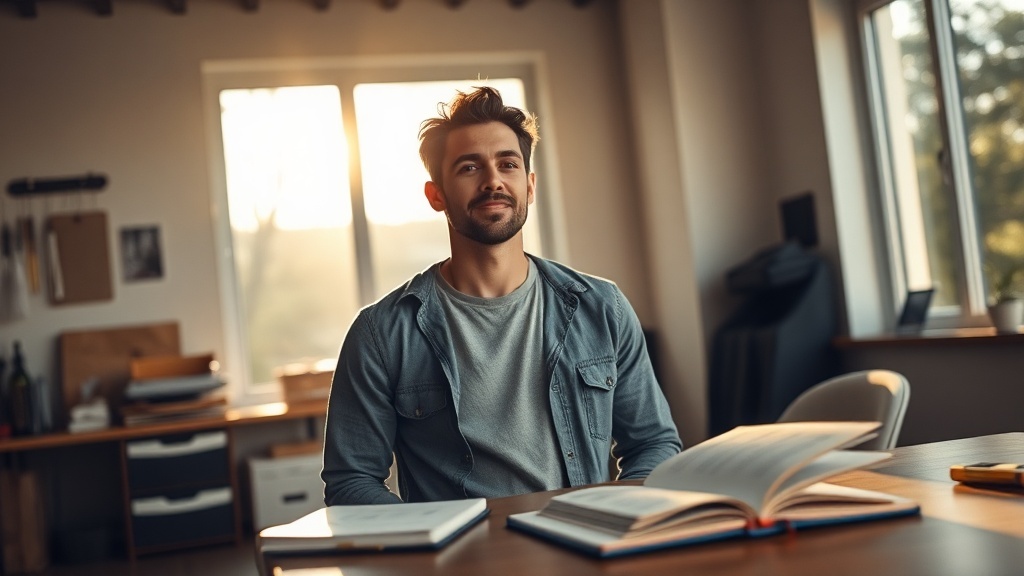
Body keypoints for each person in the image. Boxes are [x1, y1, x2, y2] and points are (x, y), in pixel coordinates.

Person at [322, 86, 681, 505]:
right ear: (436, 195)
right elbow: (351, 481)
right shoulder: (381, 333)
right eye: (469, 167)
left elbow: (654, 444)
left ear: (529, 186)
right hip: (460, 547)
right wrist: (434, 537)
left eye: (508, 164)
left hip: (585, 539)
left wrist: (616, 517)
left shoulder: (603, 307)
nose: (492, 181)